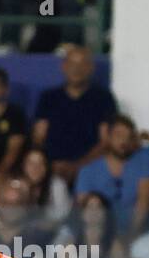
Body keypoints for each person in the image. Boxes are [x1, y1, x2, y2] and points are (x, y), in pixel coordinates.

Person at [32, 45, 117, 184]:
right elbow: (39, 136)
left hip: (90, 168)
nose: (76, 69)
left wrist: (78, 166)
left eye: (82, 64)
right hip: (52, 168)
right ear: (64, 66)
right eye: (72, 63)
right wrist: (49, 164)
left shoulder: (103, 99)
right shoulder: (49, 97)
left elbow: (105, 141)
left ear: (91, 68)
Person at [73, 114, 149, 237]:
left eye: (129, 137)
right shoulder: (87, 171)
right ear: (108, 137)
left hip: (135, 233)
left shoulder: (143, 160)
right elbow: (84, 213)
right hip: (100, 235)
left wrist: (131, 236)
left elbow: (143, 203)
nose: (124, 141)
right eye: (119, 135)